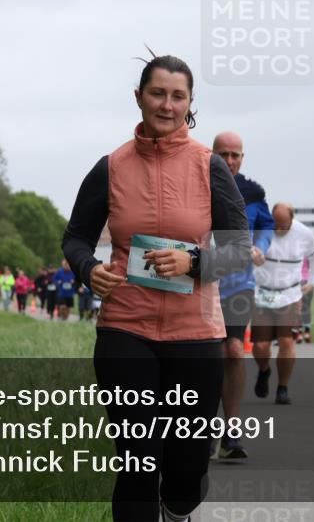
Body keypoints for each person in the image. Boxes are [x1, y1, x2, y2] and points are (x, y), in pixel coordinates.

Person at [62, 52, 250, 522]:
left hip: (195, 332)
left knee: (186, 468)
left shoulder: (210, 166)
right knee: (137, 460)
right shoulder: (111, 167)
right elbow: (77, 237)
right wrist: (89, 270)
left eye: (177, 96)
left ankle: (178, 508)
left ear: (189, 103)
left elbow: (238, 248)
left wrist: (194, 261)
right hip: (126, 327)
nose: (166, 105)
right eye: (157, 93)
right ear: (139, 97)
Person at [211, 130, 274, 459]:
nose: (230, 161)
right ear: (212, 154)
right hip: (200, 284)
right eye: (223, 154)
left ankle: (231, 432)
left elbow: (267, 226)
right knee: (205, 359)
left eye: (236, 155)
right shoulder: (197, 184)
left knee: (235, 350)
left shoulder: (253, 192)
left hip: (239, 284)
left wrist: (260, 247)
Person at [252, 203, 314, 406]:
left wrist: (313, 282)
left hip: (289, 295)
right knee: (260, 346)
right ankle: (264, 370)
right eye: (277, 224)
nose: (280, 229)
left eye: (284, 225)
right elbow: (246, 249)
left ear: (292, 220)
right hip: (262, 294)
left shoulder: (303, 233)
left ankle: (282, 388)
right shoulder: (262, 229)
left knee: (286, 342)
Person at [295, 258, 314, 343]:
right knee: (307, 307)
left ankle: (299, 333)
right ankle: (307, 332)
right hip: (308, 280)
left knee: (298, 308)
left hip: (297, 281)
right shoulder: (309, 249)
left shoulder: (294, 247)